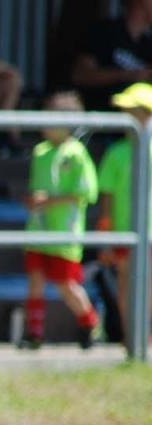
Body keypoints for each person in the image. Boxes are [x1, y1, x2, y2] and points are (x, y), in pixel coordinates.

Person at [21, 91, 100, 350]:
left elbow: (85, 193)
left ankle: (89, 323)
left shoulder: (76, 153)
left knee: (66, 284)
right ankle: (34, 332)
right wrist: (33, 200)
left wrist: (49, 200)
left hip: (64, 232)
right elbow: (37, 188)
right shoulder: (40, 151)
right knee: (35, 279)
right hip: (38, 230)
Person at [95, 82, 152, 351]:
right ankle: (132, 337)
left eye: (133, 111)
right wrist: (106, 231)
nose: (127, 117)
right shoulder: (117, 153)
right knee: (127, 286)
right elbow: (106, 196)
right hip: (125, 231)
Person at [71, 0, 152, 113]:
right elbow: (81, 75)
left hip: (136, 124)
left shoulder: (147, 46)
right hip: (101, 120)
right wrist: (129, 74)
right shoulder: (104, 33)